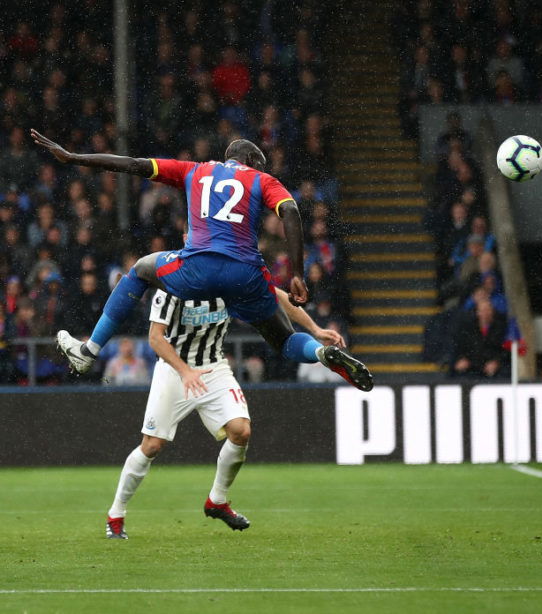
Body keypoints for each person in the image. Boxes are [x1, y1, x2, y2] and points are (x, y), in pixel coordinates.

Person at [30, 129, 372, 391]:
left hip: (196, 270)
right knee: (283, 340)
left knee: (141, 269)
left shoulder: (194, 171)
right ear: (252, 164)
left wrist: (74, 158)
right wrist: (298, 273)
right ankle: (319, 354)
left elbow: (132, 165)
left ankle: (89, 350)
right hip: (246, 274)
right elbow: (292, 211)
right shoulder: (262, 180)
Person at [105, 285, 344, 539]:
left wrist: (315, 329)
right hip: (174, 370)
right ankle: (116, 514)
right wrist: (185, 372)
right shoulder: (171, 283)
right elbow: (155, 338)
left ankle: (217, 501)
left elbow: (276, 296)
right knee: (152, 445)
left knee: (241, 431)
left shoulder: (230, 275)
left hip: (214, 368)